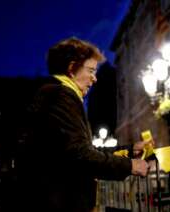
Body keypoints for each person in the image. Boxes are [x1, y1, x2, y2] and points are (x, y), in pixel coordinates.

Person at [16, 37, 150, 212]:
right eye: (91, 71)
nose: (94, 79)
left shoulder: (56, 94)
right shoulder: (60, 96)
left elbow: (82, 149)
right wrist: (131, 165)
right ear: (72, 68)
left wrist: (131, 149)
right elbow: (80, 154)